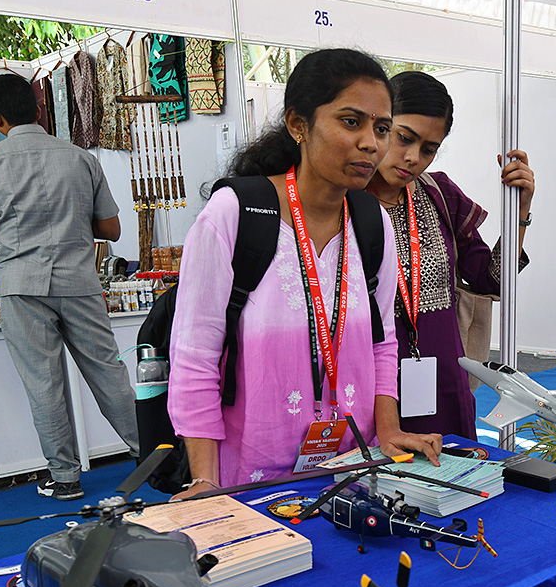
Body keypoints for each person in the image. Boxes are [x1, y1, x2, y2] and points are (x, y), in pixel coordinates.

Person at [168, 49, 442, 498]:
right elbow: (195, 357)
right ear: (298, 124)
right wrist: (204, 479)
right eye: (351, 122)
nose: (371, 144)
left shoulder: (372, 223)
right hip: (250, 480)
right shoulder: (235, 214)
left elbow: (382, 341)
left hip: (353, 470)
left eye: (381, 128)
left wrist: (388, 430)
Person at [0, 73, 139, 501]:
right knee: (109, 371)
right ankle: (152, 453)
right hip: (79, 280)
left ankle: (65, 479)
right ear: (40, 110)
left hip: (22, 285)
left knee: (44, 382)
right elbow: (111, 229)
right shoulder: (81, 159)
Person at [363, 70, 534, 439]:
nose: (412, 158)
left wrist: (519, 212)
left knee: (456, 483)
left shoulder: (438, 194)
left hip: (442, 379)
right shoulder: (343, 204)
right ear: (379, 126)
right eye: (403, 138)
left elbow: (492, 279)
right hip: (370, 384)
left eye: (428, 148)